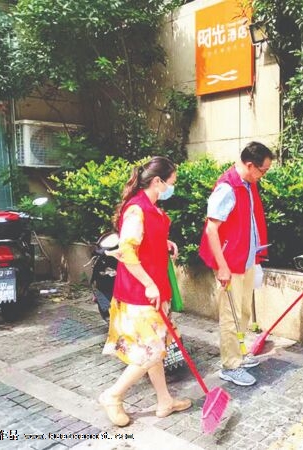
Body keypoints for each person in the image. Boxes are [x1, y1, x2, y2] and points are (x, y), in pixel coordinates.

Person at [99, 156, 191, 427]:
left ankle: (164, 401)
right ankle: (113, 395)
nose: (173, 187)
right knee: (151, 350)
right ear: (157, 181)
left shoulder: (151, 208)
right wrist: (149, 284)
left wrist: (165, 242)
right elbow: (127, 250)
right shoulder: (137, 210)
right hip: (140, 293)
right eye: (171, 182)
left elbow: (144, 239)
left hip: (154, 289)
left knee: (156, 347)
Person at [199, 142, 274, 386]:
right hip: (230, 262)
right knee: (230, 315)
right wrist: (222, 267)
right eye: (263, 170)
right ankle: (230, 365)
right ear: (250, 165)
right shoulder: (227, 188)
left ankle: (240, 354)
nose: (263, 175)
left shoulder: (248, 185)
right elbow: (211, 230)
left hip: (245, 259)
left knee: (243, 311)